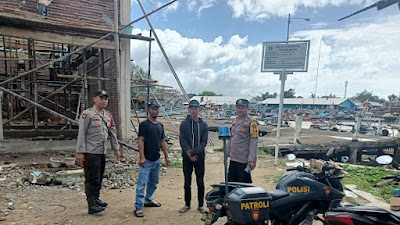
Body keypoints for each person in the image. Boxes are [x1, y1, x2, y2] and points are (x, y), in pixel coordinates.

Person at [76, 90, 120, 214]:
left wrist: (116, 148)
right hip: (91, 152)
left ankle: (96, 198)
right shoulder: (87, 114)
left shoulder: (108, 115)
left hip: (102, 152)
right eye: (101, 98)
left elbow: (113, 132)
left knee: (99, 177)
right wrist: (79, 152)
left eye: (106, 98)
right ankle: (91, 205)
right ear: (95, 99)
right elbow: (82, 133)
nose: (104, 100)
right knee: (91, 178)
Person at [134, 101, 170, 217]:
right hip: (147, 160)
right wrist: (142, 157)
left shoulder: (160, 126)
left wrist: (166, 156)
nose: (155, 111)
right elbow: (141, 141)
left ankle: (148, 200)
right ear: (148, 110)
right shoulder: (144, 125)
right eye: (152, 109)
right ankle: (138, 206)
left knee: (154, 183)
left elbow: (162, 141)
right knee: (142, 183)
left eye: (156, 109)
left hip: (156, 159)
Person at [178, 100, 208, 214]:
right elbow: (182, 140)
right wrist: (189, 153)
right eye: (192, 108)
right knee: (187, 182)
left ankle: (201, 204)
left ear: (199, 110)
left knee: (200, 181)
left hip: (200, 157)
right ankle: (187, 204)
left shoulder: (204, 125)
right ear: (189, 109)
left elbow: (204, 141)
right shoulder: (184, 124)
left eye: (196, 108)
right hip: (187, 157)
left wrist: (195, 153)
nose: (194, 110)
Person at [226, 99, 258, 183]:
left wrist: (252, 159)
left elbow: (253, 141)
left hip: (243, 159)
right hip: (233, 158)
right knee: (231, 184)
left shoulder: (252, 123)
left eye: (243, 107)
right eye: (238, 107)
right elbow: (231, 139)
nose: (240, 110)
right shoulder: (234, 121)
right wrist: (226, 155)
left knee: (244, 186)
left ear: (247, 108)